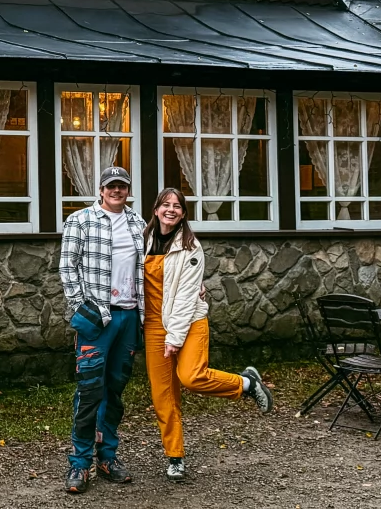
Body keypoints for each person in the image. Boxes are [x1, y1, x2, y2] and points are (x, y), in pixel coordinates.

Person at [143, 188, 273, 483]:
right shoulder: (142, 239)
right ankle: (175, 456)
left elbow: (187, 296)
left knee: (191, 376)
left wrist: (174, 337)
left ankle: (247, 384)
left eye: (177, 206)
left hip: (188, 322)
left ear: (184, 213)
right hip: (152, 325)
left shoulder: (191, 248)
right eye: (166, 204)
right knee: (163, 396)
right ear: (156, 208)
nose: (171, 210)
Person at [58, 166, 146, 494]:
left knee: (115, 391)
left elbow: (153, 266)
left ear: (128, 190)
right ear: (100, 189)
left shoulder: (139, 224)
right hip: (97, 320)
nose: (117, 191)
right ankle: (79, 463)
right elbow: (68, 267)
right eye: (111, 186)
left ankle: (107, 457)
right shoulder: (80, 221)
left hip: (128, 318)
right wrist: (85, 308)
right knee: (89, 391)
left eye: (122, 186)